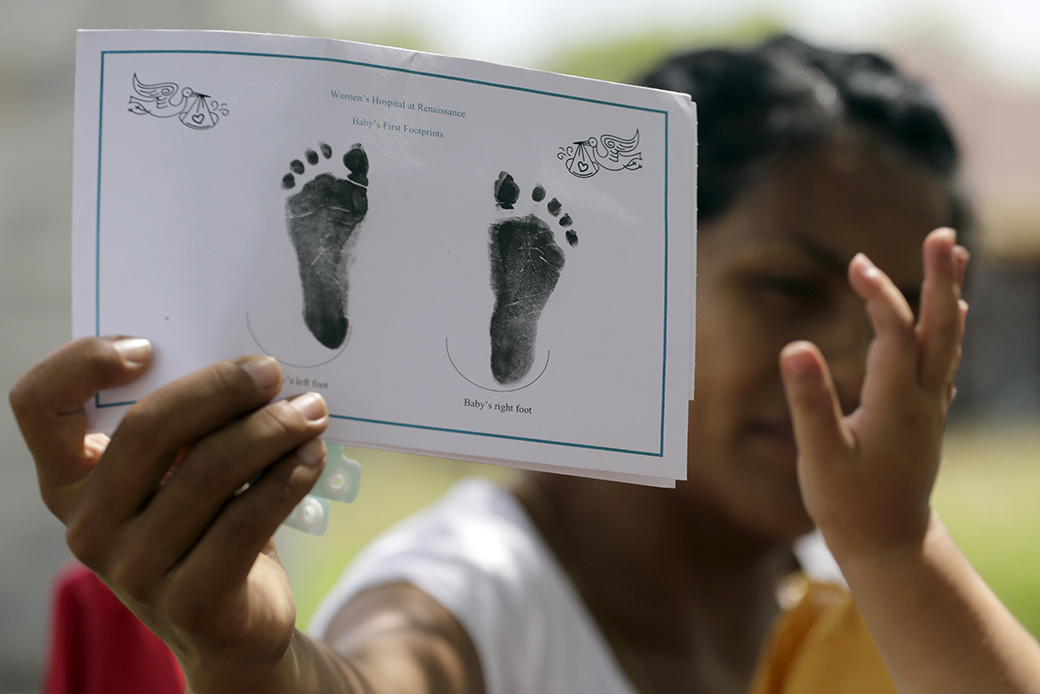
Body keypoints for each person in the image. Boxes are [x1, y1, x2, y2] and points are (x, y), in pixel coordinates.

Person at [10, 35, 1040, 694]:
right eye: (785, 289)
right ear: (629, 283)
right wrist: (254, 659)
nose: (856, 358)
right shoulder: (471, 589)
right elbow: (378, 673)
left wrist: (896, 550)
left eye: (904, 319)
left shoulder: (867, 597)